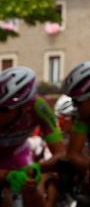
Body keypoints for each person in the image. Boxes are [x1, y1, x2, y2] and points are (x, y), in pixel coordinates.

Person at [0, 67, 64, 207]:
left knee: (31, 192)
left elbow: (60, 154)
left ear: (24, 107)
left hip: (17, 155)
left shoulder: (39, 106)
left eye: (3, 110)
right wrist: (5, 175)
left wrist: (37, 169)